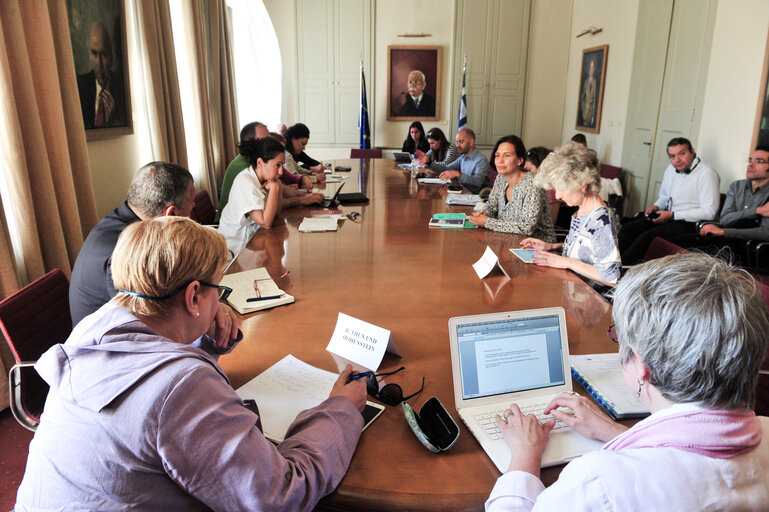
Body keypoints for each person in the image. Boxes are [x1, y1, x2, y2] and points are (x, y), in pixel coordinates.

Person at [15, 217, 366, 510]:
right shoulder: (182, 387)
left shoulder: (96, 325)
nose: (221, 300)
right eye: (219, 289)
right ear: (193, 295)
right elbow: (278, 496)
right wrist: (340, 410)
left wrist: (199, 332)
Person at [485, 252, 769, 510]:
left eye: (618, 338)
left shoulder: (601, 484)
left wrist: (525, 455)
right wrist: (614, 431)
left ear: (643, 367)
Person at [69, 162, 195, 326]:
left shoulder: (127, 219)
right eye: (191, 207)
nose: (192, 215)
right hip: (107, 343)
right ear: (171, 213)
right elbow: (148, 318)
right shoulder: (128, 247)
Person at [521, 142, 621, 286]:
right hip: (571, 287)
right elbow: (587, 251)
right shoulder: (582, 210)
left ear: (582, 184)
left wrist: (566, 262)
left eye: (562, 188)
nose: (558, 195)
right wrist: (552, 247)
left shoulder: (601, 219)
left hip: (590, 297)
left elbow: (610, 277)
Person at [618, 137, 720, 264]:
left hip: (690, 224)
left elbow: (710, 212)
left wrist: (673, 215)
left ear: (692, 152)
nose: (677, 160)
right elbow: (664, 197)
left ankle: (622, 273)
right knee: (628, 228)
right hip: (669, 216)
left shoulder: (707, 174)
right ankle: (611, 267)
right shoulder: (670, 169)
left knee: (647, 237)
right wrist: (655, 206)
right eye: (672, 156)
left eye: (682, 154)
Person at [218, 123, 319, 223]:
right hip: (237, 235)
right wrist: (301, 199)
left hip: (253, 229)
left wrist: (304, 195)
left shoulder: (265, 166)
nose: (269, 143)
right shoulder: (245, 171)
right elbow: (266, 221)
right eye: (264, 141)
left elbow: (276, 207)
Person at [219, 137, 306, 252]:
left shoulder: (263, 179)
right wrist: (274, 189)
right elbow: (266, 223)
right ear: (260, 163)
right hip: (236, 251)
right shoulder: (246, 182)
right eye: (277, 165)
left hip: (253, 242)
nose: (281, 172)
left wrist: (277, 186)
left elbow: (276, 213)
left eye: (282, 166)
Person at [468, 135, 555, 243]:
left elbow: (527, 227)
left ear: (519, 160)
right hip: (508, 240)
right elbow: (491, 207)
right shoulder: (501, 178)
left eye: (507, 155)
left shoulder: (533, 184)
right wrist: (481, 215)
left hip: (537, 247)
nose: (500, 160)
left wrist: (486, 221)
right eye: (497, 155)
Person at [76, 22, 126, 129]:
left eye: (103, 54)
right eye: (94, 53)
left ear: (112, 57)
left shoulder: (123, 90)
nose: (99, 63)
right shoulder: (80, 87)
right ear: (89, 55)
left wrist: (113, 120)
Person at [430, 128, 490, 194]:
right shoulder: (462, 157)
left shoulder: (481, 160)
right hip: (463, 193)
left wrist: (458, 174)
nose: (458, 146)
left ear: (471, 142)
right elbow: (445, 168)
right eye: (457, 142)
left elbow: (478, 182)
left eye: (461, 142)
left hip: (476, 197)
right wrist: (428, 163)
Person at [524, 146, 560, 225]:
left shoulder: (550, 188)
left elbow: (551, 222)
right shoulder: (536, 183)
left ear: (541, 167)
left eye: (529, 170)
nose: (527, 174)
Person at [579, 59, 598, 128]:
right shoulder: (586, 81)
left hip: (591, 111)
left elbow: (595, 99)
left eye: (593, 68)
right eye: (590, 67)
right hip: (585, 111)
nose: (591, 70)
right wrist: (583, 108)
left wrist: (593, 115)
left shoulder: (595, 82)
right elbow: (582, 98)